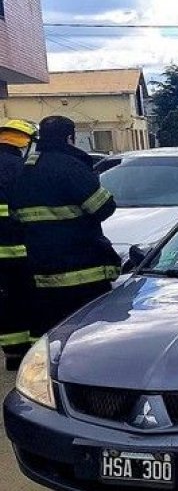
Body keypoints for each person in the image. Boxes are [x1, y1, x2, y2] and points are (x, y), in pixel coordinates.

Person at [8, 116, 120, 341]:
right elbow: (104, 207)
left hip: (42, 273)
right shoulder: (70, 166)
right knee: (88, 333)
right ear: (70, 138)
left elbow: (15, 217)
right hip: (83, 273)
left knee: (51, 335)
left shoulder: (24, 171)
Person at [0, 119, 37, 370]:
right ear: (24, 144)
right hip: (21, 249)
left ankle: (12, 355)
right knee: (27, 299)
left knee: (5, 303)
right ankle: (31, 353)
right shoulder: (21, 169)